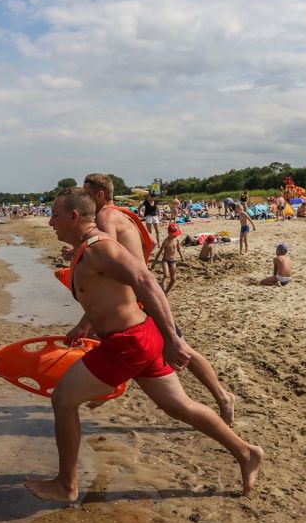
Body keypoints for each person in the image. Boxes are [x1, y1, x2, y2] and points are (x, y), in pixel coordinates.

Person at [15, 188, 263, 502]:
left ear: (74, 216)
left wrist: (173, 338)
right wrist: (84, 325)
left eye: (55, 215)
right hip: (138, 338)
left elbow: (145, 282)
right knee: (179, 406)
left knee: (63, 400)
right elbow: (106, 297)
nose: (50, 222)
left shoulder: (99, 248)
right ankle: (246, 452)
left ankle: (66, 485)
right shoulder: (86, 249)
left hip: (127, 343)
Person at [77, 174, 235, 425]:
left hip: (141, 296)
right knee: (157, 346)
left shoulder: (104, 217)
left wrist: (86, 319)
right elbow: (147, 241)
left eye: (86, 192)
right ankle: (107, 388)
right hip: (143, 290)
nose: (83, 198)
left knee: (180, 348)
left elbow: (106, 262)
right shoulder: (123, 214)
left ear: (99, 195)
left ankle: (222, 396)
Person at [151, 222, 184, 294]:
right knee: (166, 275)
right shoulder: (166, 241)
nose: (176, 235)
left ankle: (166, 292)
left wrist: (182, 257)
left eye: (176, 233)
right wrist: (154, 262)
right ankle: (162, 287)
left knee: (174, 279)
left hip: (173, 261)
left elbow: (178, 250)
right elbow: (159, 252)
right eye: (174, 234)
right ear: (169, 232)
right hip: (165, 260)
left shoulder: (177, 240)